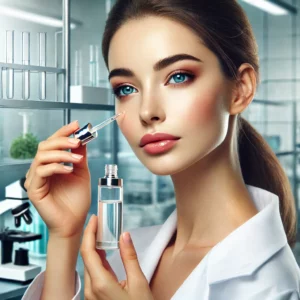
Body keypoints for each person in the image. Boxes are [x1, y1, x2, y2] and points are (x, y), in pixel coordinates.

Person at [22, 0, 300, 299]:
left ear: (240, 89)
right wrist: (64, 235)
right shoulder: (135, 250)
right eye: (126, 88)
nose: (147, 111)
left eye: (178, 76)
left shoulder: (275, 286)